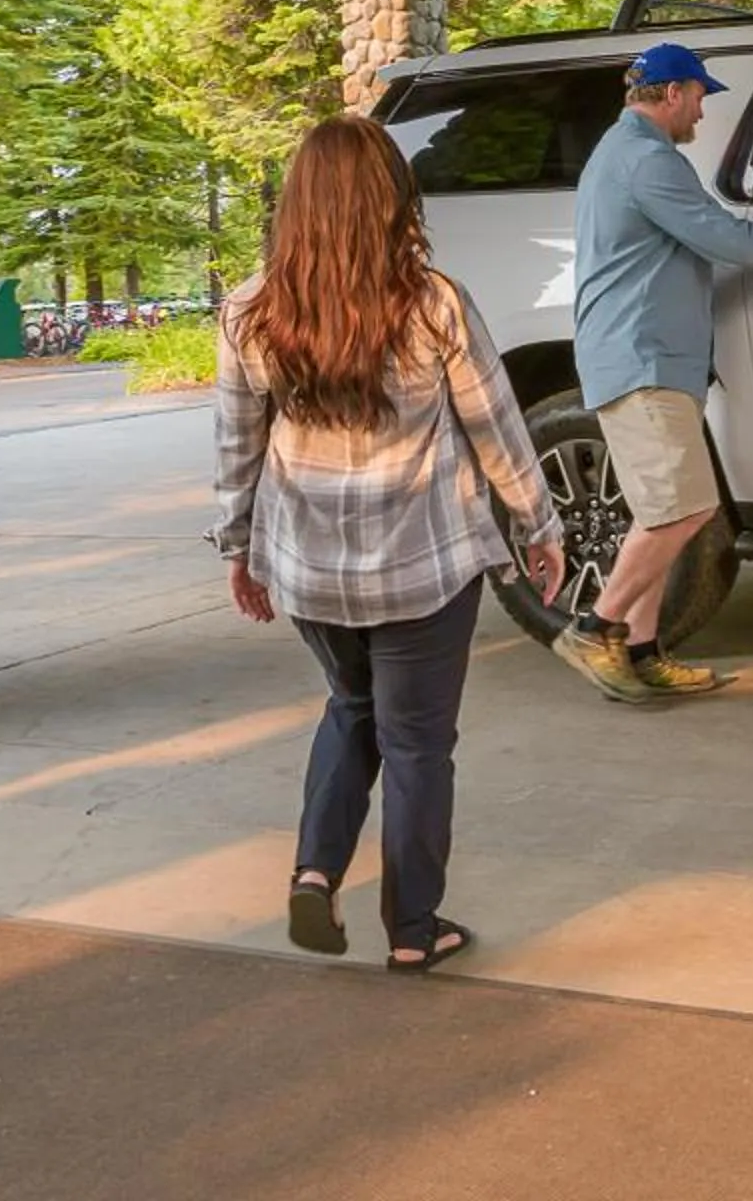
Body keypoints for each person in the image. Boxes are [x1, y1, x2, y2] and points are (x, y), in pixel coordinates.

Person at [213, 114, 568, 974]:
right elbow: (496, 426)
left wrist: (237, 544)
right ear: (391, 199)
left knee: (352, 708)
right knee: (416, 742)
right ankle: (413, 927)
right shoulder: (432, 302)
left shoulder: (251, 311)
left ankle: (314, 869)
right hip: (425, 565)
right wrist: (539, 525)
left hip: (311, 567)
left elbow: (237, 443)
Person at [557, 41, 753, 701]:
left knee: (662, 509)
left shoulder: (622, 153)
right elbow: (718, 234)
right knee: (685, 511)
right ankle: (595, 629)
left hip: (649, 353)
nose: (703, 113)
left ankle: (645, 652)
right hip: (641, 356)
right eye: (701, 96)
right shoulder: (649, 160)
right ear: (673, 93)